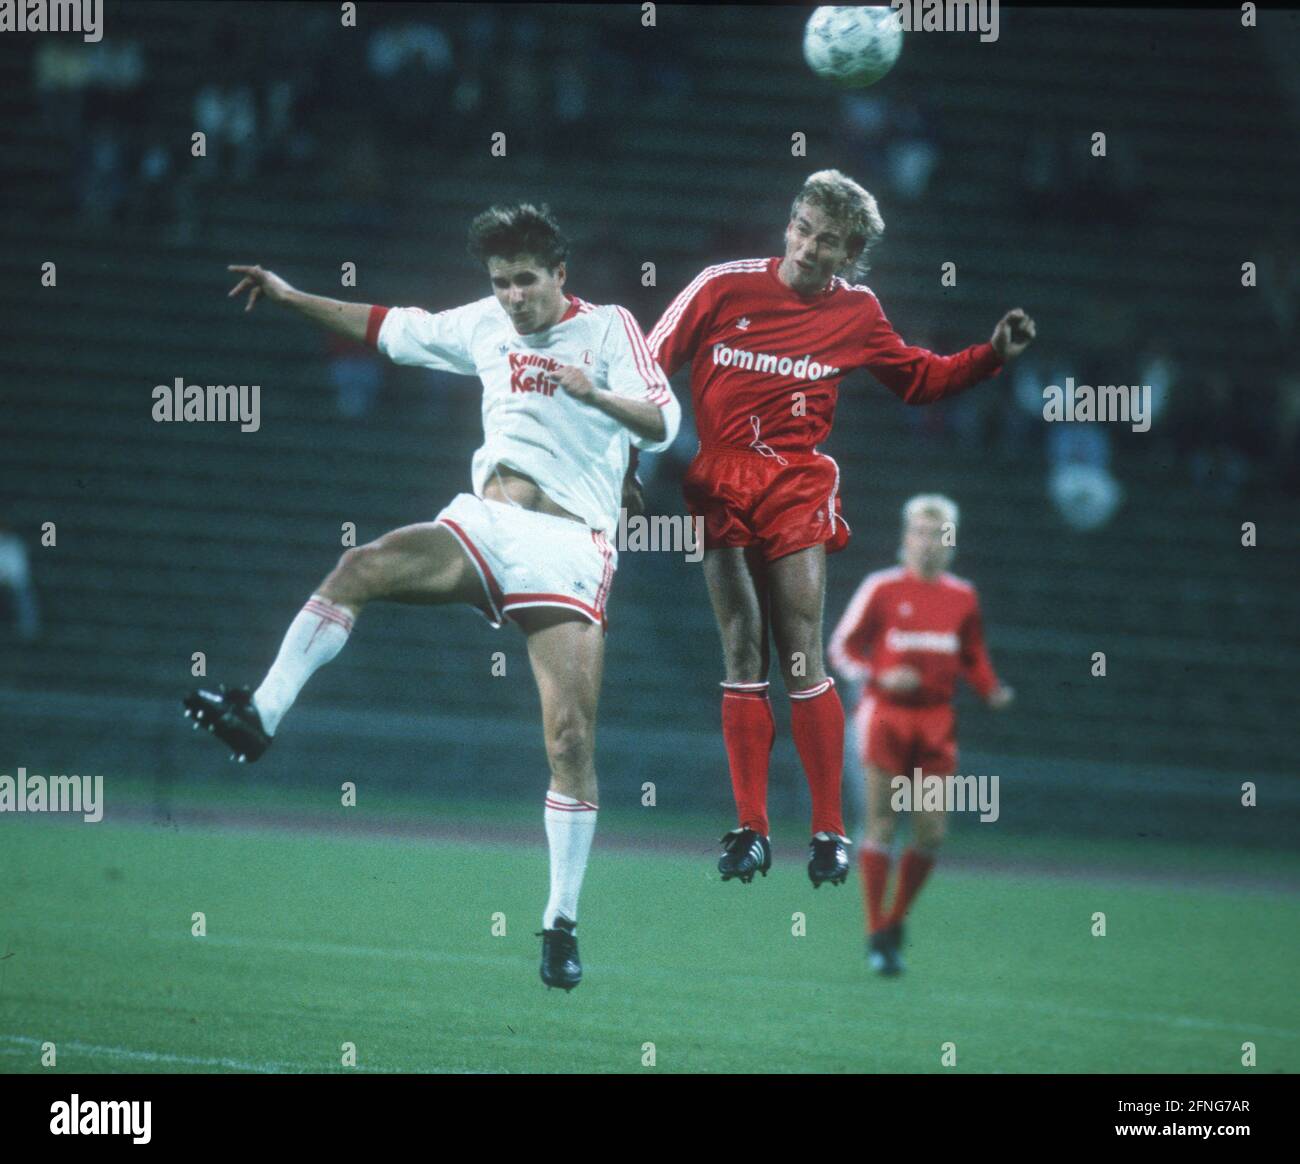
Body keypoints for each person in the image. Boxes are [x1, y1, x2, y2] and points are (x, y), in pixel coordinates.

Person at [183, 204, 680, 991]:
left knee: (570, 741)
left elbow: (663, 421)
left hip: (568, 545)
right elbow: (388, 326)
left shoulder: (610, 328)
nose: (514, 296)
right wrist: (287, 295)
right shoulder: (485, 323)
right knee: (362, 565)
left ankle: (560, 922)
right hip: (487, 523)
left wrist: (596, 397)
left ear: (560, 275)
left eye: (526, 280)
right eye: (501, 281)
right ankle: (260, 714)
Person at [646, 169, 1034, 888]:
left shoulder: (857, 311)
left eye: (828, 242)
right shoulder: (721, 285)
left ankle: (829, 831)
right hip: (722, 475)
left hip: (796, 479)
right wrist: (625, 465)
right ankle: (752, 829)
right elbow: (647, 365)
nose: (809, 247)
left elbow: (918, 378)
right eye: (803, 228)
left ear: (849, 255)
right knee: (741, 649)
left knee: (801, 652)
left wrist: (992, 357)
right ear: (788, 224)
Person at [829, 494, 1013, 975]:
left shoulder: (962, 596)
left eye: (939, 533)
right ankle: (875, 933)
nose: (929, 542)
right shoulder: (882, 587)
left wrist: (990, 689)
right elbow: (841, 649)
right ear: (905, 536)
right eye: (920, 532)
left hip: (935, 721)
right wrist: (878, 676)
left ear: (951, 540)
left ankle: (895, 919)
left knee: (931, 830)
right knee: (883, 823)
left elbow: (971, 654)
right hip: (884, 716)